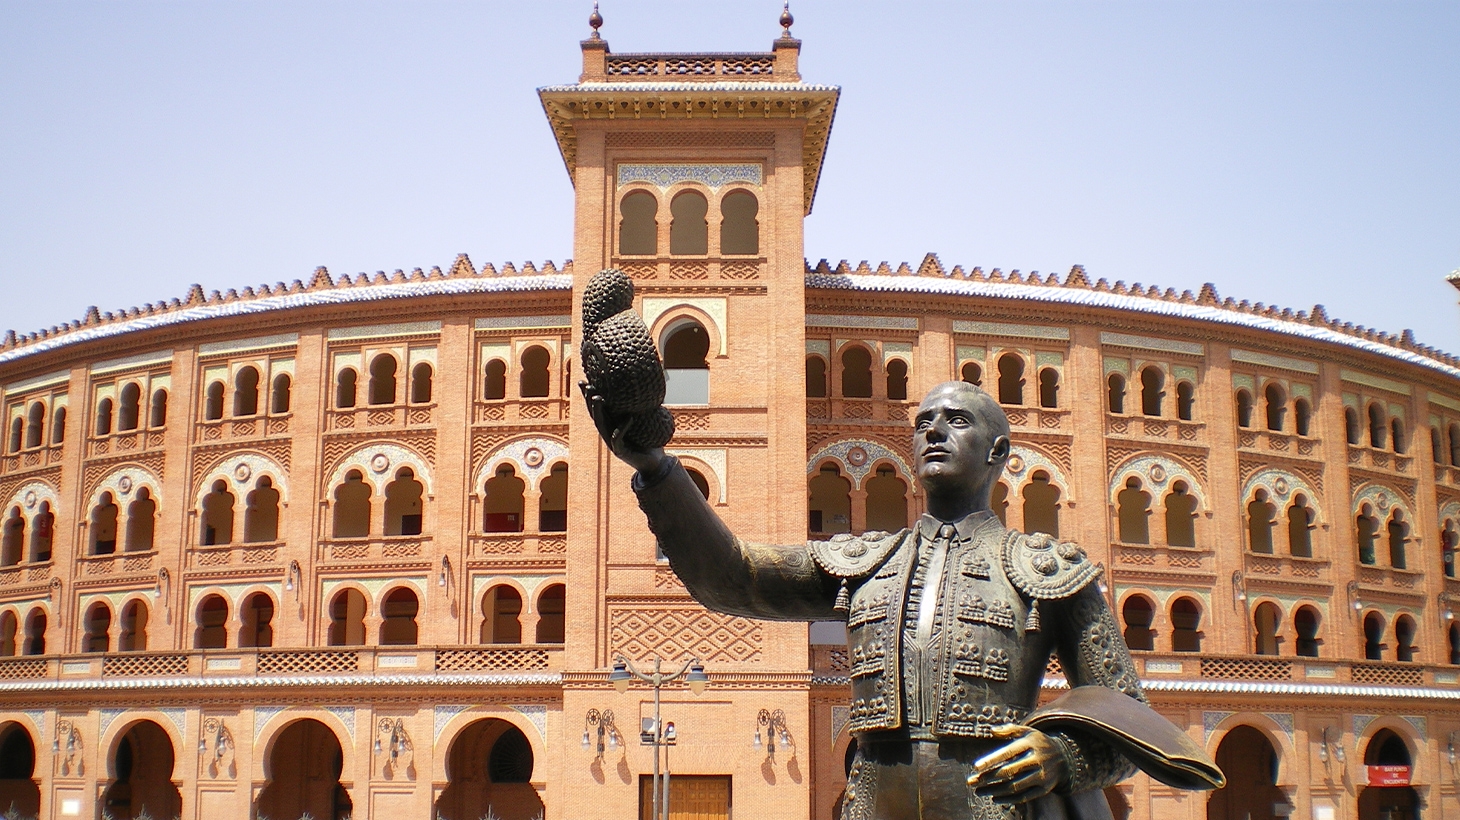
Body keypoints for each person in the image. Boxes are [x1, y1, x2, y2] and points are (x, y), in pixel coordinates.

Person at [583, 379, 1151, 819]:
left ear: (997, 452)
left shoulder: (1047, 570)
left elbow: (1129, 718)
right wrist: (657, 468)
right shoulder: (868, 560)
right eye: (924, 423)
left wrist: (1065, 757)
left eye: (956, 421)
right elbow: (735, 577)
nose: (934, 431)